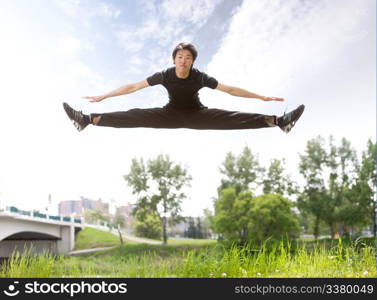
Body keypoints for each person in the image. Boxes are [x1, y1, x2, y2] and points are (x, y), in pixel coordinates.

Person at [63, 42, 305, 133]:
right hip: (169, 114)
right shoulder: (165, 75)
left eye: (187, 57)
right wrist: (104, 96)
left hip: (197, 115)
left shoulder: (199, 77)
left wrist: (262, 97)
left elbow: (230, 89)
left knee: (231, 118)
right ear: (174, 59)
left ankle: (279, 122)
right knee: (135, 115)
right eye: (179, 56)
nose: (183, 60)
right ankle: (86, 120)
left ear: (192, 61)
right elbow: (134, 86)